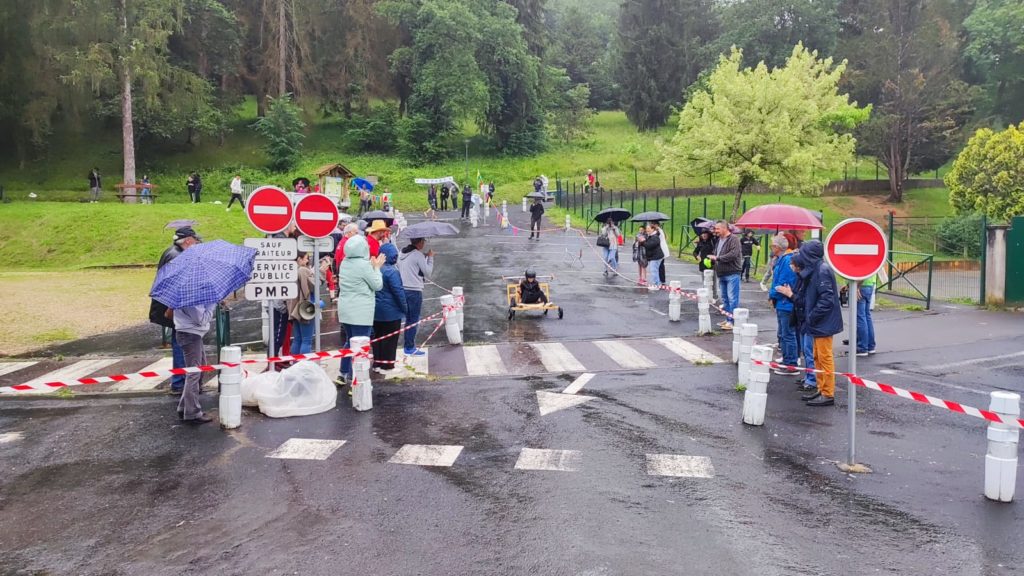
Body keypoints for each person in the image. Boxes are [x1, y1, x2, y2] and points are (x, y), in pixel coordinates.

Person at [776, 240, 843, 407]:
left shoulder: (822, 271)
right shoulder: (816, 270)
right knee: (817, 356)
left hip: (823, 322)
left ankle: (828, 393)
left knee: (824, 357)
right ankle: (821, 388)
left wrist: (811, 316)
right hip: (817, 322)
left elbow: (826, 300)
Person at [150, 226, 200, 394]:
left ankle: (181, 382)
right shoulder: (177, 257)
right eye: (195, 240)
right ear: (188, 241)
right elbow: (177, 286)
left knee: (179, 342)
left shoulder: (171, 252)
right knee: (181, 343)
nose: (197, 243)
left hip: (167, 306)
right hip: (173, 309)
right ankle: (180, 383)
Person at [337, 235, 385, 386]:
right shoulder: (364, 265)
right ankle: (355, 379)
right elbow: (377, 285)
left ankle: (342, 373)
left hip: (345, 309)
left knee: (349, 342)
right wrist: (377, 268)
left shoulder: (345, 262)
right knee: (360, 347)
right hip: (361, 311)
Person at [175, 301, 217, 424]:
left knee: (199, 368)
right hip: (190, 335)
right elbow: (201, 319)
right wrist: (211, 304)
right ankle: (192, 412)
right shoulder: (191, 300)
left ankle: (184, 406)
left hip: (192, 334)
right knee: (194, 373)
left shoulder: (187, 295)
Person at [372, 243, 407, 373]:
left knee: (377, 338)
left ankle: (377, 363)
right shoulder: (392, 272)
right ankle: (388, 365)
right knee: (390, 339)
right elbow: (398, 292)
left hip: (375, 311)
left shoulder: (374, 268)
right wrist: (405, 308)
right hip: (391, 312)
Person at [767, 235, 799, 376]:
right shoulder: (782, 260)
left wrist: (773, 295)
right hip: (782, 302)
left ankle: (791, 363)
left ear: (777, 247)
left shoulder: (786, 261)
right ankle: (787, 359)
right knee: (785, 334)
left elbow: (782, 283)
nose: (771, 249)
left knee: (788, 334)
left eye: (772, 246)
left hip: (786, 303)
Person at [398, 237, 434, 357]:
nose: (424, 243)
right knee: (413, 320)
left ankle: (408, 345)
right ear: (419, 242)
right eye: (423, 241)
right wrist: (430, 257)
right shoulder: (417, 255)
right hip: (414, 290)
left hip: (403, 289)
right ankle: (409, 347)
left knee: (407, 319)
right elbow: (428, 271)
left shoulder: (402, 253)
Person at [709, 221, 742, 330]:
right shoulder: (719, 240)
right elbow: (717, 253)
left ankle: (732, 321)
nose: (715, 231)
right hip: (721, 273)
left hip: (732, 273)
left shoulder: (734, 239)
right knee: (725, 299)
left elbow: (733, 254)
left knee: (733, 298)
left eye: (717, 229)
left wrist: (717, 258)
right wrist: (713, 259)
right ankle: (728, 319)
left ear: (724, 228)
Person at [287, 252, 315, 355]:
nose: (307, 261)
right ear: (299, 259)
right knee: (306, 341)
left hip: (294, 309)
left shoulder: (290, 270)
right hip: (304, 309)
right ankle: (304, 367)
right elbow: (309, 288)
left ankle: (295, 365)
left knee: (297, 340)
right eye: (306, 258)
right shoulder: (303, 270)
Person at [856, 273, 878, 356]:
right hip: (870, 284)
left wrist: (856, 286)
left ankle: (862, 347)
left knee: (860, 317)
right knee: (867, 316)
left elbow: (863, 272)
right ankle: (870, 346)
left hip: (861, 285)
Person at [641, 222, 666, 290]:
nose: (647, 230)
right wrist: (642, 242)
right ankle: (657, 284)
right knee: (655, 270)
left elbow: (649, 245)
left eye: (648, 228)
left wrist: (643, 242)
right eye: (646, 229)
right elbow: (647, 244)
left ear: (653, 229)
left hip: (656, 257)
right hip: (654, 256)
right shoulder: (651, 236)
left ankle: (656, 285)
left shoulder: (655, 237)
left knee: (653, 270)